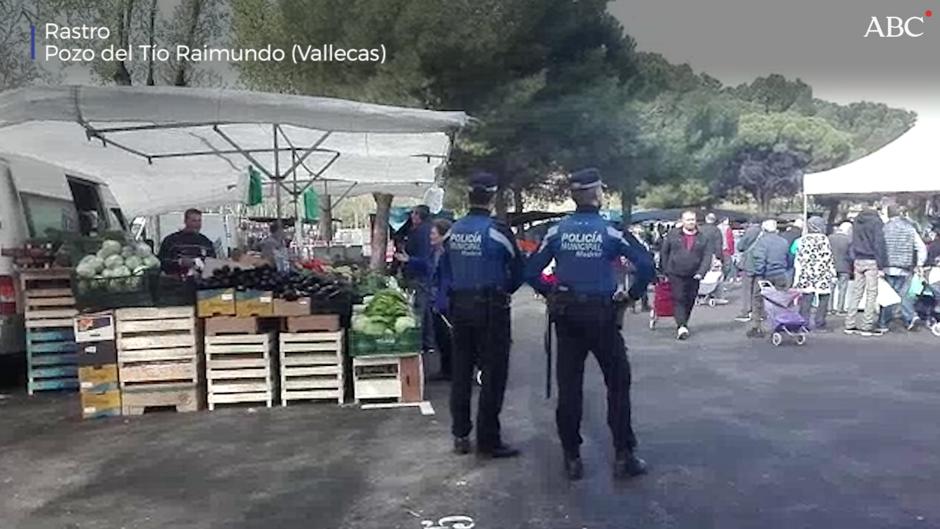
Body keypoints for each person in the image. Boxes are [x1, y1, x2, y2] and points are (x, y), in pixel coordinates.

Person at [526, 168, 655, 481]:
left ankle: (571, 457)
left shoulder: (557, 231)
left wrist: (550, 292)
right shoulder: (611, 231)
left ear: (574, 196)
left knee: (569, 387)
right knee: (618, 382)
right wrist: (631, 296)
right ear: (597, 194)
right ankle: (623, 455)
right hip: (602, 315)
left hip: (567, 315)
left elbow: (530, 271)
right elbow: (646, 264)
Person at [439, 171, 524, 459]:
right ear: (492, 196)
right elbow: (518, 269)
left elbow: (445, 270)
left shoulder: (453, 231)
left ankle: (460, 435)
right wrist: (505, 290)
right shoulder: (498, 231)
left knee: (461, 373)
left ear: (469, 195)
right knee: (493, 374)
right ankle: (488, 440)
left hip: (460, 307)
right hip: (491, 308)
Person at [410, 218, 454, 381]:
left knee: (448, 336)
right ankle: (446, 369)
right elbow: (428, 266)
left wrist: (441, 300)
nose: (431, 237)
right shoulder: (435, 251)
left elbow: (446, 279)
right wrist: (410, 260)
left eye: (434, 234)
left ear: (442, 235)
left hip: (445, 300)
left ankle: (452, 370)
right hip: (434, 297)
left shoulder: (447, 253)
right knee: (440, 336)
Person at [658, 210, 712, 340]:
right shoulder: (673, 235)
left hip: (694, 274)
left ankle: (684, 322)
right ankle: (681, 326)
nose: (690, 222)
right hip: (675, 273)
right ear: (682, 221)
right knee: (679, 298)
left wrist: (701, 272)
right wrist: (665, 270)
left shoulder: (703, 237)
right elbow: (664, 252)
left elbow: (707, 256)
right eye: (688, 220)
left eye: (692, 219)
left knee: (690, 299)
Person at [880, 205, 927, 331]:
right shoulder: (909, 228)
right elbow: (921, 247)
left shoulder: (884, 229)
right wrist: (919, 264)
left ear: (888, 214)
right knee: (903, 296)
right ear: (900, 213)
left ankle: (883, 323)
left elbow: (878, 247)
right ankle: (910, 317)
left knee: (887, 297)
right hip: (904, 268)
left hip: (887, 267)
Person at [396, 205, 434, 354]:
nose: (411, 216)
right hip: (424, 276)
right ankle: (428, 342)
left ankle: (420, 342)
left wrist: (408, 259)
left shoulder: (421, 232)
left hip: (419, 276)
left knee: (420, 309)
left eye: (413, 214)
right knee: (426, 310)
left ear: (418, 216)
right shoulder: (426, 229)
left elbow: (425, 258)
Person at [844, 207, 888, 336]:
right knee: (871, 293)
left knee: (856, 292)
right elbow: (879, 244)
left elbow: (852, 241)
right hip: (871, 260)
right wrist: (881, 265)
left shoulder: (857, 222)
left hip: (858, 259)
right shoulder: (876, 222)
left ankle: (849, 323)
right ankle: (866, 325)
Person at [746, 219, 791, 338]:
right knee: (779, 300)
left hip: (765, 275)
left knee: (758, 300)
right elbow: (789, 258)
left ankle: (756, 326)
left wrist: (758, 273)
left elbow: (759, 259)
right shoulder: (783, 241)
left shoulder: (761, 242)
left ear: (764, 229)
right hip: (780, 274)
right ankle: (779, 325)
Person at [793, 216, 837, 331]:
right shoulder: (824, 239)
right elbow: (828, 258)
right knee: (824, 298)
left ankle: (803, 323)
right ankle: (820, 322)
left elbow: (798, 259)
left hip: (807, 273)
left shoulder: (803, 240)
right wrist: (832, 274)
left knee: (806, 299)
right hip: (822, 273)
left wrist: (797, 277)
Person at [158, 208, 216, 276]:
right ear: (185, 221)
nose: (197, 224)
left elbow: (213, 264)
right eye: (194, 221)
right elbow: (162, 262)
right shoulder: (171, 240)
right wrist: (180, 262)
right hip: (176, 279)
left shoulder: (206, 242)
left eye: (199, 221)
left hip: (200, 279)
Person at [735, 218, 764, 322]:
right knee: (758, 290)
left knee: (747, 289)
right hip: (761, 263)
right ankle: (758, 312)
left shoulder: (750, 232)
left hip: (749, 262)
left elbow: (740, 246)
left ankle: (746, 311)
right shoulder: (764, 232)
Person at [828, 222, 853, 314]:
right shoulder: (849, 240)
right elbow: (851, 255)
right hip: (845, 267)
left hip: (831, 266)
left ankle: (829, 308)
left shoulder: (830, 238)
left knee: (830, 288)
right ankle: (840, 309)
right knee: (842, 289)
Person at [719, 217, 736, 281]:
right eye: (727, 220)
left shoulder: (717, 227)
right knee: (728, 264)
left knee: (721, 263)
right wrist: (732, 250)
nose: (728, 221)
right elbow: (730, 240)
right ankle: (727, 278)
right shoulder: (728, 228)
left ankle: (722, 276)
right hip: (726, 248)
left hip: (719, 248)